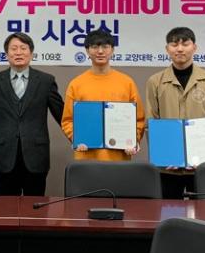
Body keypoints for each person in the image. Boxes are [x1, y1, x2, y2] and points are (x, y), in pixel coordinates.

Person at [0, 32, 64, 196]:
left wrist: (80, 139)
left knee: (35, 206)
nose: (18, 52)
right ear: (6, 54)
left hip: (36, 155)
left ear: (31, 53)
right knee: (5, 207)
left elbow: (63, 116)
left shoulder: (46, 81)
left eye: (23, 48)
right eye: (14, 48)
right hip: (4, 155)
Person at [61, 29, 146, 161]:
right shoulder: (76, 84)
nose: (100, 51)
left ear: (112, 50)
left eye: (105, 46)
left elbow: (139, 119)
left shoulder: (127, 82)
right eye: (95, 47)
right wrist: (77, 138)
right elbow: (68, 120)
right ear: (87, 50)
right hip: (86, 157)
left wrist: (132, 139)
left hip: (119, 158)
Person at [145, 26, 205, 144]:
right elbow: (151, 122)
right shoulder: (155, 82)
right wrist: (160, 149)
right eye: (174, 45)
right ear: (167, 49)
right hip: (168, 147)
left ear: (194, 47)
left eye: (185, 44)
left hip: (202, 148)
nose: (180, 49)